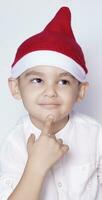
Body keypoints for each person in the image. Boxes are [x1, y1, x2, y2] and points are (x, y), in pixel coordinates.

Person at [0, 6, 102, 200]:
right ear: (15, 88)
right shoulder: (14, 143)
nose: (50, 92)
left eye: (63, 82)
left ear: (80, 91)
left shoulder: (94, 133)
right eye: (37, 80)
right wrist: (36, 166)